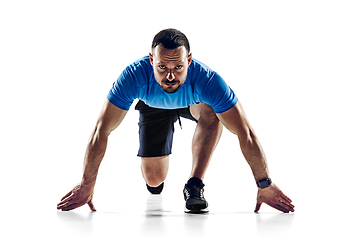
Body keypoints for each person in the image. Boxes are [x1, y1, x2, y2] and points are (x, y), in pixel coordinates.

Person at [57, 28, 295, 214]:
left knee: (213, 110)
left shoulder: (208, 80)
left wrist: (264, 184)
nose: (170, 76)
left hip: (193, 105)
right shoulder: (133, 77)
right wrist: (86, 185)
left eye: (178, 67)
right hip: (152, 107)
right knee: (154, 179)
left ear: (189, 60)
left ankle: (194, 183)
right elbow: (102, 130)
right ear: (151, 60)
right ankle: (156, 172)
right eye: (162, 67)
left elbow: (246, 133)